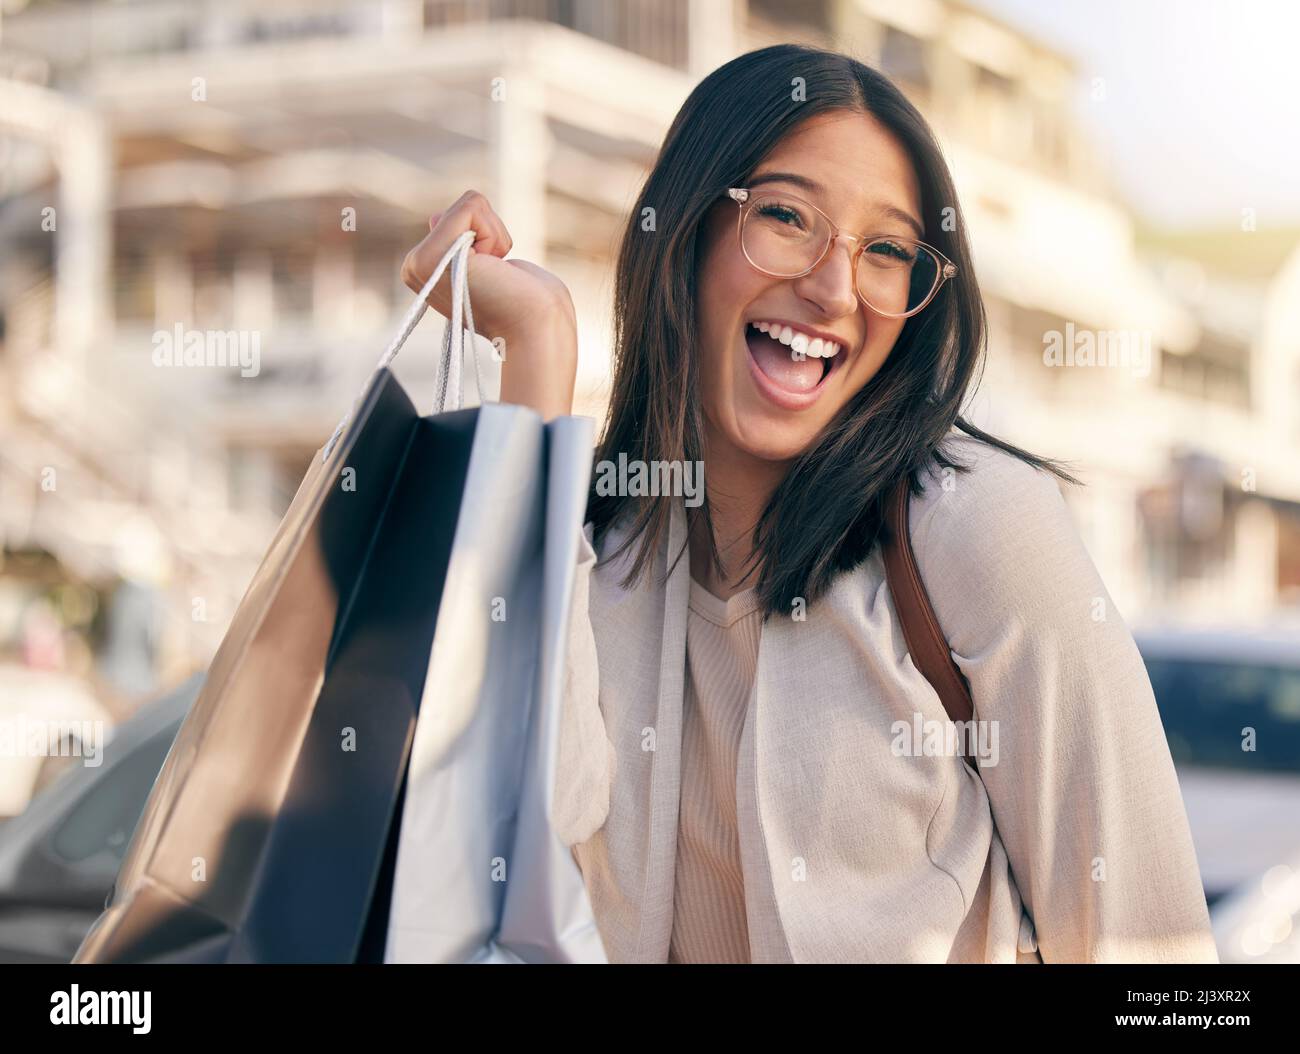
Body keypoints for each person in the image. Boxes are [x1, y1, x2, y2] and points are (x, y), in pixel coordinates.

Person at [399, 44, 1217, 964]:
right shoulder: (604, 544)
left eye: (886, 250)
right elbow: (519, 813)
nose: (834, 287)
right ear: (687, 231)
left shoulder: (979, 527)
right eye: (787, 216)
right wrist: (537, 354)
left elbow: (1158, 959)